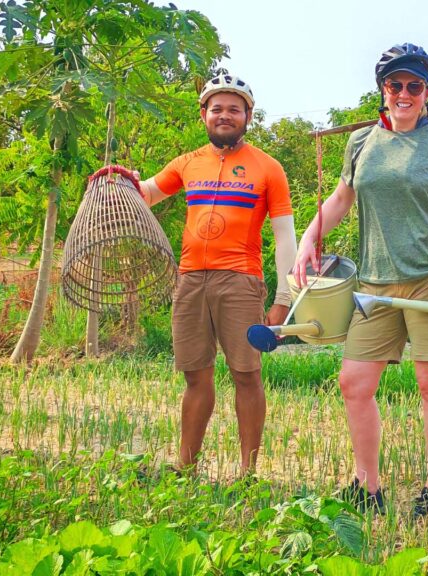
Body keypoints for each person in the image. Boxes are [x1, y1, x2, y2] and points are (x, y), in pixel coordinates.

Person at [293, 43, 428, 518]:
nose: (404, 93)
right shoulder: (361, 143)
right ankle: (367, 488)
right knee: (354, 382)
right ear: (383, 91)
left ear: (427, 92)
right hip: (374, 283)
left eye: (414, 85)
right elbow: (340, 199)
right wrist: (310, 238)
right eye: (395, 85)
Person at [108, 74, 298, 476]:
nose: (224, 115)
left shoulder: (268, 168)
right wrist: (120, 180)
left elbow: (285, 237)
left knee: (246, 375)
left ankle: (248, 474)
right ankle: (185, 468)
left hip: (241, 282)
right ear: (204, 115)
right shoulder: (188, 163)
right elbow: (147, 194)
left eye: (234, 109)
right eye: (217, 109)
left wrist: (284, 299)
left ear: (248, 115)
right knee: (196, 376)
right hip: (191, 280)